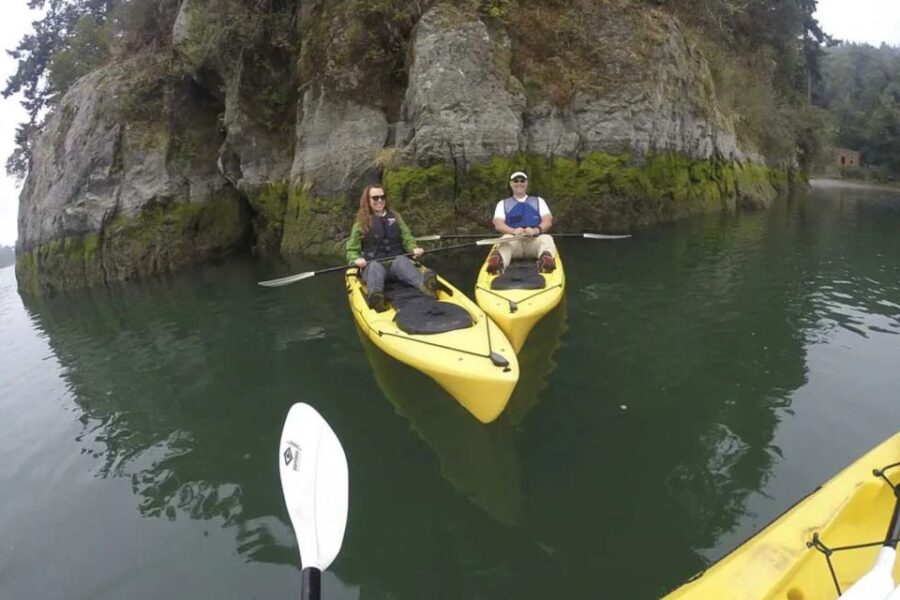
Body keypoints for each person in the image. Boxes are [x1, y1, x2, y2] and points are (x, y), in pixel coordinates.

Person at [346, 184, 439, 312]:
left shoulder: (395, 217)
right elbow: (352, 250)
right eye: (375, 198)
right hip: (374, 265)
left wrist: (413, 248)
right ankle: (376, 297)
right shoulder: (360, 223)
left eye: (382, 197)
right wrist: (355, 259)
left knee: (402, 260)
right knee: (374, 267)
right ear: (367, 200)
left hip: (395, 264)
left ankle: (426, 287)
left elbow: (407, 238)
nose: (379, 200)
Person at [487, 171, 558, 274]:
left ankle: (545, 261)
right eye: (516, 181)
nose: (519, 183)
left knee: (547, 239)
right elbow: (498, 224)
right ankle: (498, 264)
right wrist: (513, 230)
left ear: (526, 183)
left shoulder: (539, 201)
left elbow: (547, 221)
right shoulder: (502, 204)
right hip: (514, 242)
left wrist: (535, 230)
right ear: (511, 184)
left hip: (534, 241)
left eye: (522, 180)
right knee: (505, 239)